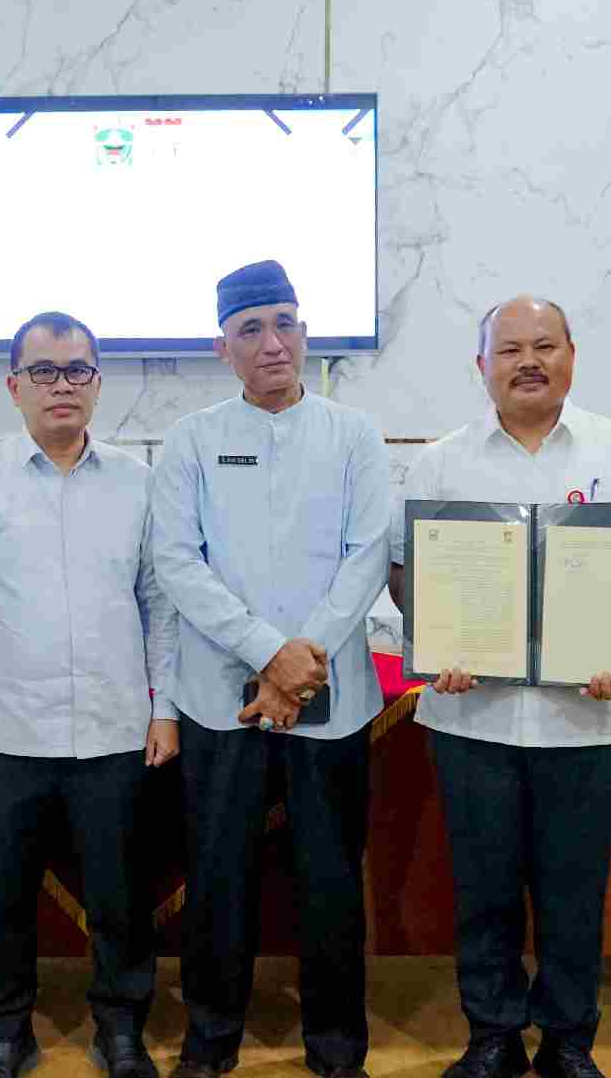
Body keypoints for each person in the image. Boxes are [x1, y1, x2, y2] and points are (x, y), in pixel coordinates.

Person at [389, 298, 611, 1078]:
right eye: (509, 349)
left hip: (588, 721)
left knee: (574, 890)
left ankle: (567, 1040)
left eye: (543, 345)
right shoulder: (439, 461)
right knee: (483, 888)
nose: (527, 361)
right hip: (472, 719)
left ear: (570, 355)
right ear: (481, 366)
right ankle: (491, 1035)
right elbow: (403, 573)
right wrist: (441, 643)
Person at [151, 260, 390, 1078]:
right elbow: (177, 562)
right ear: (222, 348)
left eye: (284, 323)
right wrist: (267, 653)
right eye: (250, 329)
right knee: (217, 876)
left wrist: (300, 660)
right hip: (221, 699)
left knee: (331, 878)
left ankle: (337, 1046)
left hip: (332, 697)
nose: (271, 342)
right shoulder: (191, 440)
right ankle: (210, 1038)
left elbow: (367, 555)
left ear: (305, 334)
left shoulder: (353, 435)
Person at [0, 311, 179, 1078]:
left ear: (97, 383)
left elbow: (160, 604)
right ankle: (5, 1031)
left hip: (114, 729)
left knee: (120, 896)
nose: (60, 385)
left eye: (76, 370)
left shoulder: (138, 481)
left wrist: (164, 707)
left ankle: (121, 1027)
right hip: (6, 733)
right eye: (43, 370)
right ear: (13, 386)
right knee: (2, 896)